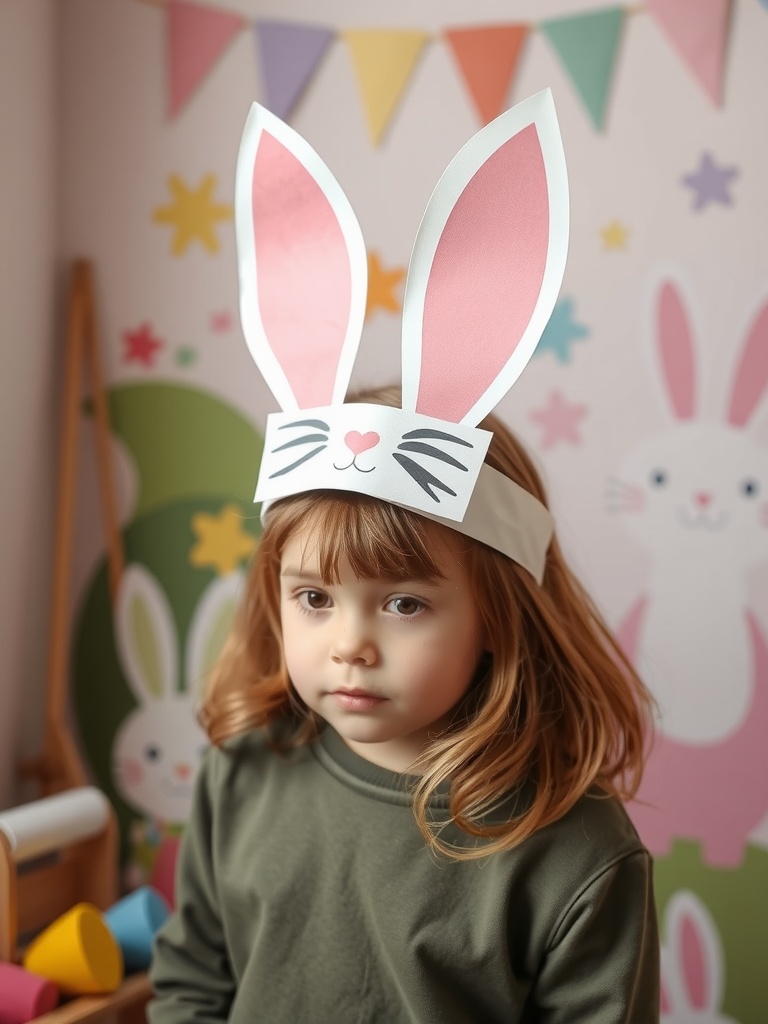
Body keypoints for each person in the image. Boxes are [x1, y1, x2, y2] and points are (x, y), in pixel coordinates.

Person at [148, 91, 660, 1022]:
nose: (348, 644)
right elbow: (192, 985)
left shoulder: (576, 852)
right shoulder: (244, 773)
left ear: (502, 614)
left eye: (404, 604)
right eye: (313, 598)